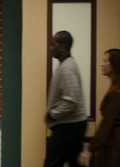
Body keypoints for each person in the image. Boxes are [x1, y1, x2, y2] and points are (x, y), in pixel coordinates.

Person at [44, 31, 88, 167]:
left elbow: (71, 101)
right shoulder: (65, 65)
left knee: (52, 164)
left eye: (53, 44)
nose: (50, 47)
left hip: (68, 128)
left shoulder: (67, 68)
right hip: (72, 126)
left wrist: (52, 114)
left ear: (63, 47)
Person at [78, 49, 120, 167]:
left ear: (114, 64)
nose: (102, 64)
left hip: (113, 148)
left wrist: (90, 149)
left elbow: (106, 124)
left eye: (105, 61)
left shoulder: (116, 92)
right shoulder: (115, 88)